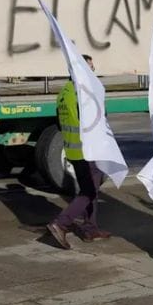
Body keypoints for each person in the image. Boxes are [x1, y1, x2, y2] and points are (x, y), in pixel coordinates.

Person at [47, 55, 111, 248]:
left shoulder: (64, 92)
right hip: (88, 149)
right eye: (90, 68)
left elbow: (60, 122)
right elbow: (98, 120)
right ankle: (61, 223)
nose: (93, 71)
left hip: (73, 150)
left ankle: (90, 229)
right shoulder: (85, 93)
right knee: (90, 190)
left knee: (90, 187)